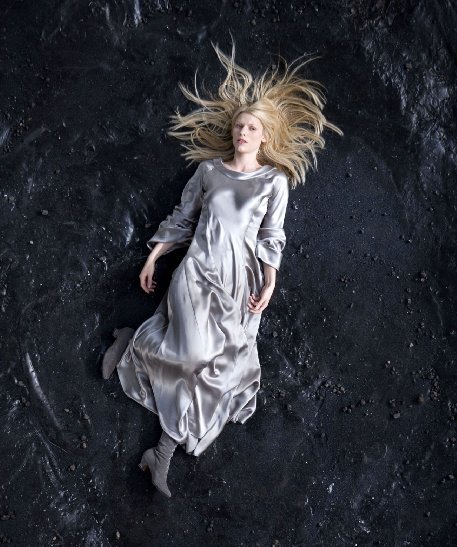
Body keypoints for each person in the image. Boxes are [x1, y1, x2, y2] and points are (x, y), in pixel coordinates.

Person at [101, 40, 343, 498]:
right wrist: (154, 256)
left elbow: (272, 235)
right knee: (194, 357)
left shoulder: (274, 181)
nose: (242, 132)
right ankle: (135, 342)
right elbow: (183, 216)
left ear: (264, 136)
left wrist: (270, 280)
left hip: (240, 284)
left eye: (251, 127)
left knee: (220, 371)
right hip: (196, 272)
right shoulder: (210, 171)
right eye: (238, 126)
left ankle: (161, 453)